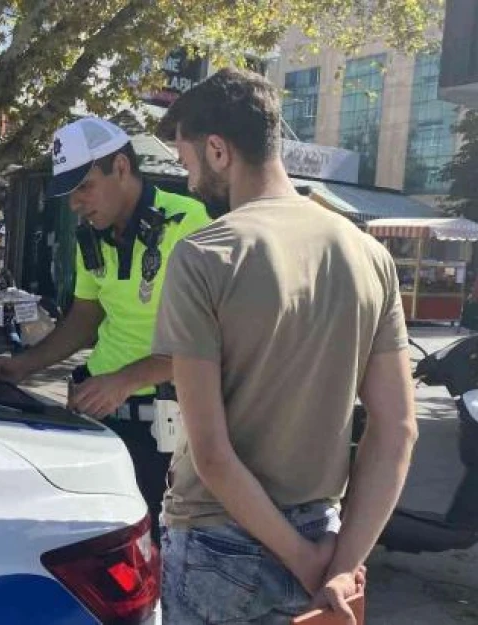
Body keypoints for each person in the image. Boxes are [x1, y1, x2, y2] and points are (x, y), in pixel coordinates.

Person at [151, 68, 417, 625]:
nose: (188, 177)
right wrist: (341, 566)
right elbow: (397, 430)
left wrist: (304, 562)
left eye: (187, 161)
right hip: (324, 536)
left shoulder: (204, 255)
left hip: (218, 543)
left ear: (218, 150)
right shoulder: (369, 255)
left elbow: (213, 455)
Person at [0, 116, 211, 543]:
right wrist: (22, 365)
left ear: (121, 168)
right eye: (69, 193)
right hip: (100, 415)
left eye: (83, 187)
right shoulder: (91, 238)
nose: (74, 205)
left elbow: (214, 342)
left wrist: (126, 380)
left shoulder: (190, 224)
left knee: (159, 551)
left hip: (167, 427)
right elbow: (85, 319)